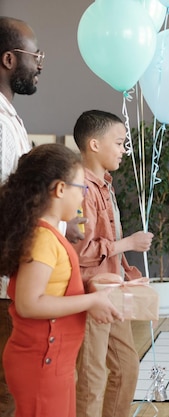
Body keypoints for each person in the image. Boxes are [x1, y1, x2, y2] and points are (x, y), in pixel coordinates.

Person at [0, 143, 122, 417]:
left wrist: (92, 288)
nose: (83, 198)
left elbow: (55, 287)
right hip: (42, 362)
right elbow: (29, 304)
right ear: (60, 189)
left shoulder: (48, 233)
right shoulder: (43, 238)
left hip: (53, 362)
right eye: (82, 188)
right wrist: (91, 300)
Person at [71, 110, 153, 417]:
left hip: (112, 288)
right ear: (94, 144)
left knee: (127, 366)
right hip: (93, 294)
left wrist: (128, 273)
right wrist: (130, 243)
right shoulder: (81, 188)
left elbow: (108, 245)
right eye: (118, 143)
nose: (123, 150)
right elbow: (82, 253)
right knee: (92, 376)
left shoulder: (105, 184)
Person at [0, 16, 43, 417]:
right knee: (7, 389)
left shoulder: (9, 115)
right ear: (10, 59)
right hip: (4, 274)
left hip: (12, 272)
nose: (40, 66)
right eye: (36, 56)